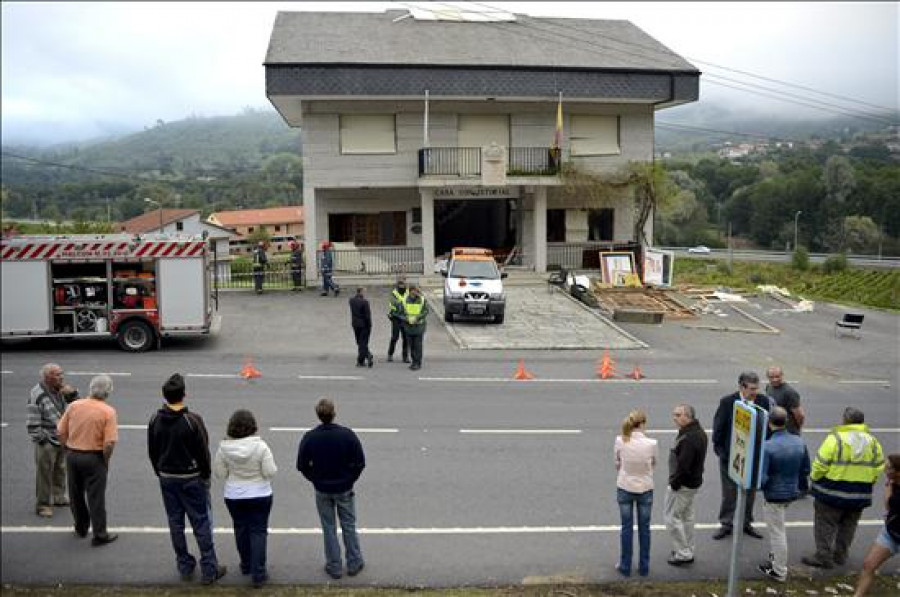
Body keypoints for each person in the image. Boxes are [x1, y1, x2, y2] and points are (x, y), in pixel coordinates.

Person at [147, 373, 226, 585]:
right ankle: (209, 568)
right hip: (191, 478)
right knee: (200, 522)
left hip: (166, 477)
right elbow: (203, 452)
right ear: (184, 395)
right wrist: (206, 475)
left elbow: (152, 450)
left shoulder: (155, 419)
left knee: (175, 523)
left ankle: (184, 564)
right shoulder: (191, 421)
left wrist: (159, 471)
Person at [802, 407, 885, 569]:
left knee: (825, 524)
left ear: (845, 420)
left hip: (832, 491)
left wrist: (814, 478)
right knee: (849, 525)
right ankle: (840, 555)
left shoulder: (835, 439)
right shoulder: (873, 442)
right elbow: (879, 466)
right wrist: (868, 481)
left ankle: (823, 556)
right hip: (860, 494)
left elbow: (820, 464)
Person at [297, 398, 366, 579]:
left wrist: (315, 479)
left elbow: (302, 465)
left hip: (322, 488)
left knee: (328, 527)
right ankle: (354, 561)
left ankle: (334, 565)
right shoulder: (347, 435)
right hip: (344, 487)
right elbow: (360, 462)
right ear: (334, 413)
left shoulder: (310, 437)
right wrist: (350, 479)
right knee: (349, 525)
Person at [214, 409, 277, 589]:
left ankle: (246, 565)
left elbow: (220, 473)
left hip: (234, 495)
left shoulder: (224, 448)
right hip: (260, 494)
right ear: (253, 426)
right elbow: (270, 471)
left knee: (241, 529)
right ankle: (259, 573)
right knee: (258, 531)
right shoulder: (261, 447)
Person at [56, 374, 119, 546]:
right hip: (94, 457)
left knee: (75, 494)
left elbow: (60, 431)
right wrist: (105, 461)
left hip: (73, 454)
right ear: (108, 393)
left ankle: (81, 527)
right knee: (96, 497)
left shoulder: (74, 406)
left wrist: (66, 449)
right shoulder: (108, 412)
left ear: (90, 388)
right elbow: (109, 443)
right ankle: (100, 534)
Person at [711, 371, 773, 540]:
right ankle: (726, 523)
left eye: (756, 388)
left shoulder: (763, 402)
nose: (754, 393)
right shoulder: (728, 402)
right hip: (731, 456)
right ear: (741, 387)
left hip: (753, 457)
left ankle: (746, 522)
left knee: (750, 491)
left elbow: (767, 428)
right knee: (729, 492)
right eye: (751, 389)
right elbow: (719, 429)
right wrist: (722, 453)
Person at [757, 406, 811, 583]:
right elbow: (806, 469)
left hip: (774, 494)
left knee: (777, 532)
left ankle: (779, 570)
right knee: (778, 528)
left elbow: (763, 478)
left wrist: (755, 487)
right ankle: (775, 560)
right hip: (792, 491)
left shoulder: (768, 446)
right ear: (786, 420)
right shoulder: (798, 441)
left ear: (769, 422)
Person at [614, 410, 658, 577]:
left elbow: (617, 463)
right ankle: (644, 566)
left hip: (625, 486)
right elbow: (654, 463)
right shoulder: (651, 444)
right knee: (644, 529)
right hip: (645, 487)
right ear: (643, 424)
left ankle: (625, 565)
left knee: (626, 528)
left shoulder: (620, 441)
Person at [665, 404, 708, 567]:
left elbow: (683, 466)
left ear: (687, 417)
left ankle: (683, 553)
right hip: (693, 484)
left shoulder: (689, 438)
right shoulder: (698, 432)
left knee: (671, 518)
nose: (674, 417)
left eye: (677, 415)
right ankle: (688, 548)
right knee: (687, 517)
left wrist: (674, 483)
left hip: (683, 486)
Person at [853, 453, 900, 597]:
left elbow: (889, 504)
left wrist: (888, 488)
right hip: (891, 534)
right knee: (869, 565)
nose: (885, 470)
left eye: (888, 468)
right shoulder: (893, 483)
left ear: (898, 472)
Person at [27, 363, 69, 518]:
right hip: (46, 440)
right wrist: (42, 439)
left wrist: (73, 393)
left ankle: (59, 496)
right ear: (47, 377)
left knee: (61, 468)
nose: (62, 377)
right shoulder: (37, 394)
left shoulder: (61, 390)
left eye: (61, 373)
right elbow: (32, 422)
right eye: (58, 374)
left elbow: (76, 405)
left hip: (61, 437)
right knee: (44, 473)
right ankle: (43, 504)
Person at [765, 366, 805, 435]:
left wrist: (796, 429)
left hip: (788, 432)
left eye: (777, 377)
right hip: (774, 430)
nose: (775, 379)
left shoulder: (789, 392)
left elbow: (800, 415)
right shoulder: (769, 387)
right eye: (772, 377)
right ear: (768, 377)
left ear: (782, 375)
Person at [401, 284, 429, 371]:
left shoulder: (422, 300)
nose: (418, 292)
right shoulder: (405, 300)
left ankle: (417, 363)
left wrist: (417, 318)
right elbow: (401, 312)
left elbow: (426, 311)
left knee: (418, 346)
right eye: (416, 290)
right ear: (411, 291)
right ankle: (414, 362)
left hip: (419, 326)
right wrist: (407, 319)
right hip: (408, 326)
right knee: (412, 346)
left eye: (418, 290)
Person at [349, 286, 374, 368]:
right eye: (364, 291)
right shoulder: (365, 302)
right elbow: (367, 316)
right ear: (361, 292)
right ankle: (367, 357)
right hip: (364, 325)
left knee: (359, 342)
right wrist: (369, 325)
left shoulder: (351, 301)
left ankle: (362, 360)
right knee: (363, 343)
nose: (365, 293)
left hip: (355, 324)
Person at [386, 277, 409, 363]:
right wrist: (402, 305)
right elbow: (393, 303)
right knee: (395, 337)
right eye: (400, 285)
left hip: (406, 318)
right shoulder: (394, 293)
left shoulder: (408, 292)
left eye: (403, 284)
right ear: (398, 285)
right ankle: (390, 354)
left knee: (406, 338)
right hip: (396, 317)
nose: (402, 286)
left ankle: (405, 356)